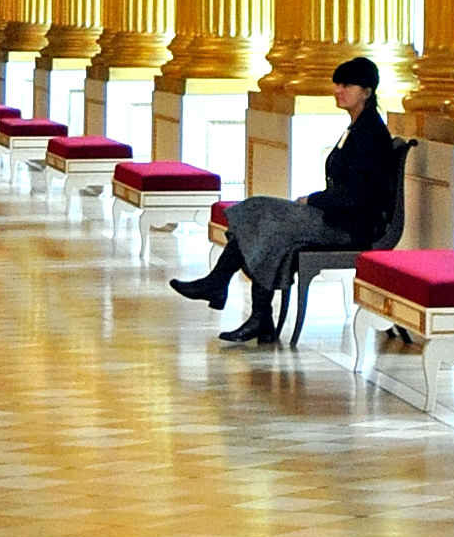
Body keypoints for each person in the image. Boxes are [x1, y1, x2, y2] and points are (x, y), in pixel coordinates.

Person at [170, 61, 404, 348]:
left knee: (263, 216)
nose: (337, 90)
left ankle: (227, 291)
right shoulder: (356, 128)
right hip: (338, 217)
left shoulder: (370, 134)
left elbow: (358, 195)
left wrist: (313, 200)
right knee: (261, 216)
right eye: (337, 84)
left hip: (353, 226)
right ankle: (250, 309)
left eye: (346, 85)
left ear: (366, 92)